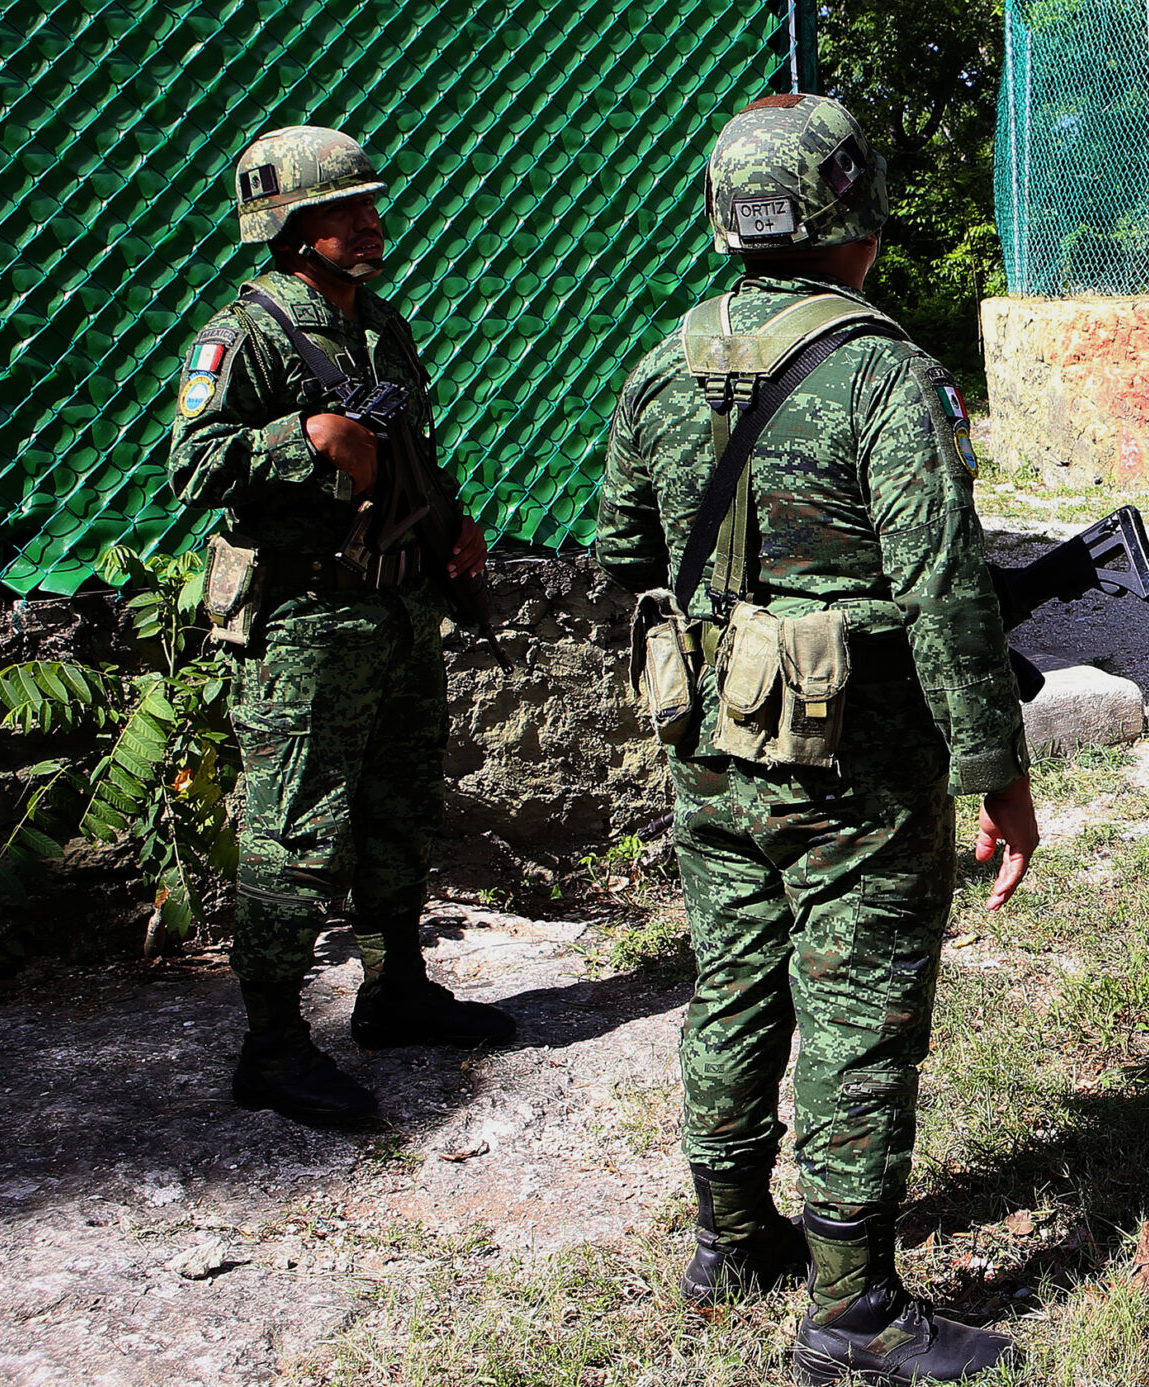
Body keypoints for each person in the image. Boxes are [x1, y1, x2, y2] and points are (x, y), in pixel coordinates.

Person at [594, 94, 1037, 1383]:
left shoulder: (658, 363)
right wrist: (994, 770)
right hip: (859, 761)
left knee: (732, 978)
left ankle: (731, 1238)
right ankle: (854, 1314)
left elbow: (624, 559)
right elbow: (948, 590)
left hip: (709, 738)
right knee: (857, 1012)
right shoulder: (885, 371)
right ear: (853, 209)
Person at [169, 124, 514, 1131]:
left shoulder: (380, 324)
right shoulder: (242, 336)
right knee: (294, 833)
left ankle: (394, 991)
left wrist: (453, 518)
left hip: (397, 606)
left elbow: (408, 444)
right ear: (288, 227)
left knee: (399, 808)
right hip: (305, 619)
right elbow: (191, 466)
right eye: (343, 211)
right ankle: (273, 1048)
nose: (369, 223)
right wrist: (299, 439)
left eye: (370, 206)